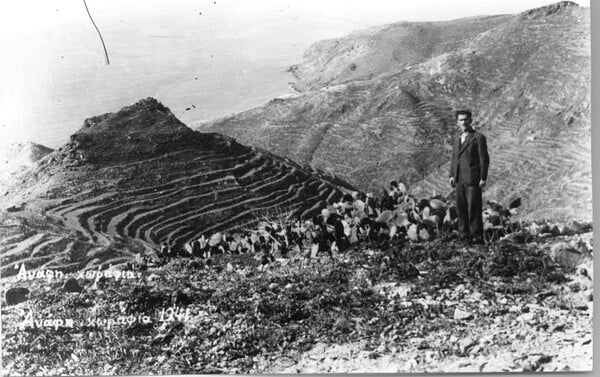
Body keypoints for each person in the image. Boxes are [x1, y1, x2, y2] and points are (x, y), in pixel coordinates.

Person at [449, 110, 490, 244]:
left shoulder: (478, 137)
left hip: (473, 179)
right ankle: (463, 234)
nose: (464, 122)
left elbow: (484, 159)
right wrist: (451, 175)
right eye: (461, 120)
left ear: (471, 120)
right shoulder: (457, 139)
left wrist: (483, 177)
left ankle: (476, 236)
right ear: (457, 123)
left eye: (466, 119)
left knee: (473, 207)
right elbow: (454, 158)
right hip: (459, 179)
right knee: (461, 208)